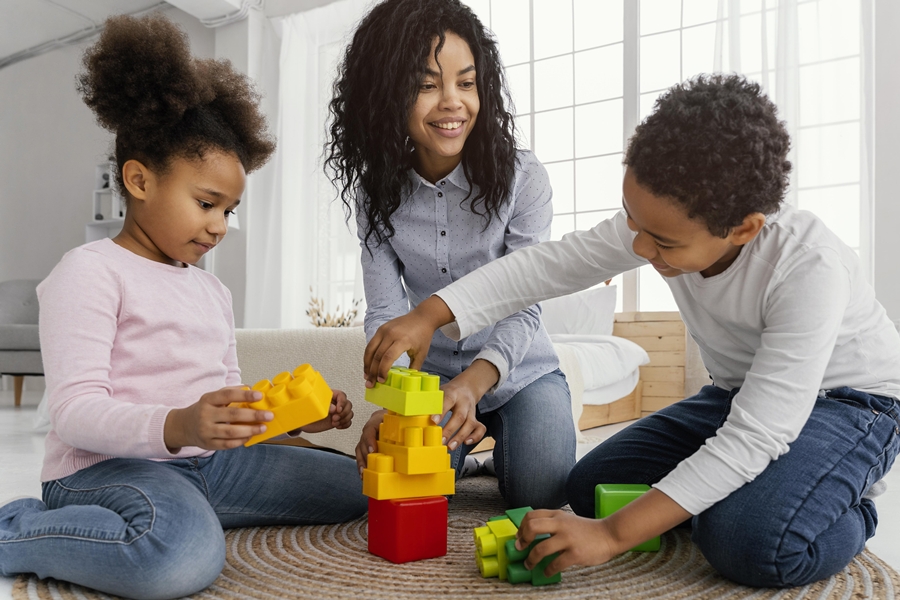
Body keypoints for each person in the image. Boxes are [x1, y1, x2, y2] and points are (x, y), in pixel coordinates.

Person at [361, 74, 900, 587]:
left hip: (851, 405)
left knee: (743, 541)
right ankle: (754, 494)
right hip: (736, 397)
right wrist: (430, 312)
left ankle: (850, 506)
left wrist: (613, 536)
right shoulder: (662, 221)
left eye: (662, 244)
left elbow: (758, 433)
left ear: (743, 229)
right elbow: (546, 266)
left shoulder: (808, 266)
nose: (640, 249)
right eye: (633, 223)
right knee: (590, 487)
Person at [0, 15, 366, 600]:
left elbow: (230, 412)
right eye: (206, 203)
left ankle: (182, 510)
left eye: (230, 210)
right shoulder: (89, 272)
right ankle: (15, 529)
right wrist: (177, 425)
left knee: (359, 485)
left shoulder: (210, 291)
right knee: (177, 559)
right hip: (103, 469)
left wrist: (297, 417)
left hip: (207, 465)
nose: (220, 227)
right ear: (140, 181)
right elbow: (73, 412)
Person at [326, 0, 575, 509]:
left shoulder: (525, 178)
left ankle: (491, 447)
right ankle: (471, 449)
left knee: (541, 490)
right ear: (385, 93)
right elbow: (384, 310)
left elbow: (525, 298)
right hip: (431, 381)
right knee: (400, 486)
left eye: (466, 82)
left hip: (521, 368)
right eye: (425, 85)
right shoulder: (376, 194)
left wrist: (473, 383)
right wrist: (399, 403)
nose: (452, 103)